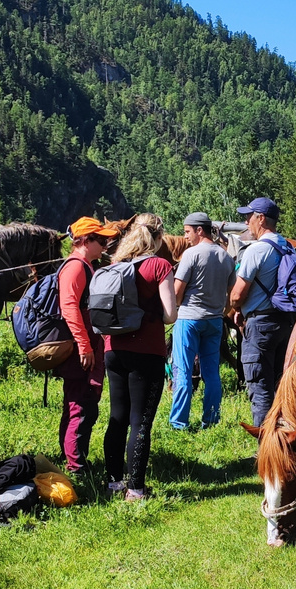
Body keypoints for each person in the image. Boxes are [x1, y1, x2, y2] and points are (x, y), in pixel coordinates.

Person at [101, 214, 176, 500]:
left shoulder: (114, 266)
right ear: (158, 238)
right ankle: (136, 489)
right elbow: (170, 314)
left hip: (113, 349)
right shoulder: (159, 265)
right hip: (147, 351)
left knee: (117, 417)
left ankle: (113, 483)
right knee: (140, 421)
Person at [56, 216, 117, 474]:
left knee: (80, 402)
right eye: (101, 240)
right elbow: (69, 307)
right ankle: (76, 467)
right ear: (85, 240)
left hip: (87, 346)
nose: (105, 245)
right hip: (81, 349)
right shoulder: (76, 267)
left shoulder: (86, 265)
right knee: (80, 404)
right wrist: (84, 346)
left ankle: (73, 458)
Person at [227, 197, 293, 428]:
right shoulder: (287, 246)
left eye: (249, 216)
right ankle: (285, 439)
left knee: (259, 386)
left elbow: (237, 294)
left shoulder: (257, 250)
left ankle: (266, 449)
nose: (246, 222)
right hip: (285, 324)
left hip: (260, 327)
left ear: (261, 219)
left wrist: (237, 309)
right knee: (278, 383)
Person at [169, 212, 235, 431]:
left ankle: (179, 423)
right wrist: (220, 311)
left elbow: (177, 292)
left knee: (183, 371)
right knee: (212, 374)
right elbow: (232, 295)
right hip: (214, 322)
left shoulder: (191, 254)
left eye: (187, 231)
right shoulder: (226, 257)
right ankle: (211, 420)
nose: (185, 236)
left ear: (199, 230)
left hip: (189, 320)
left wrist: (176, 306)